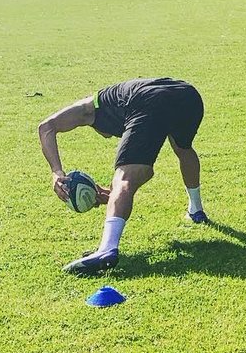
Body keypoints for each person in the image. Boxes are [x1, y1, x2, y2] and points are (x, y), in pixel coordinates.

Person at [38, 77, 208, 275]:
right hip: (188, 96)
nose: (108, 136)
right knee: (183, 148)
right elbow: (142, 170)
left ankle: (106, 249)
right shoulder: (117, 101)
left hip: (150, 102)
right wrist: (111, 195)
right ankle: (196, 211)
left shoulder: (89, 108)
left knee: (123, 178)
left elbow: (46, 127)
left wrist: (57, 173)